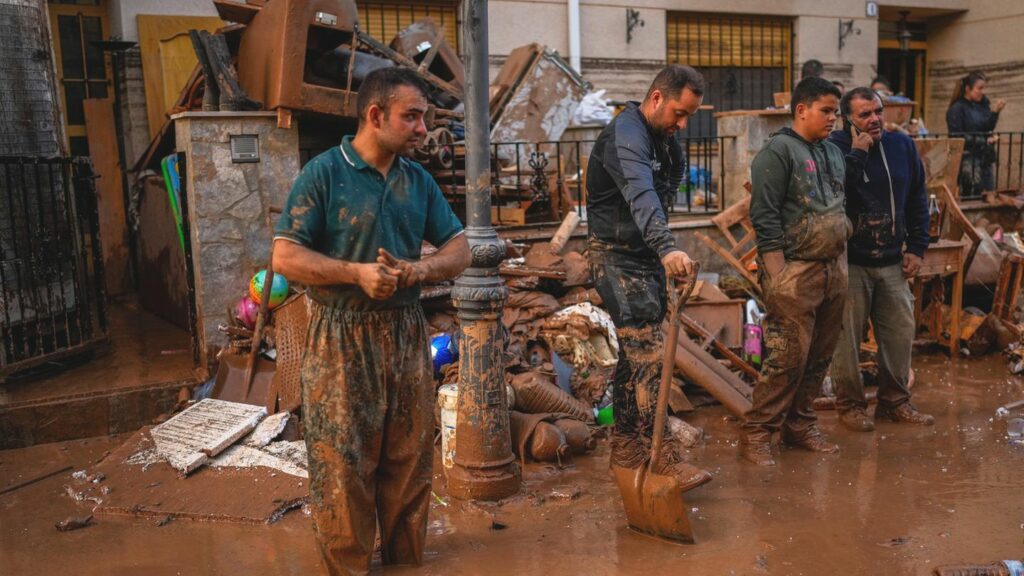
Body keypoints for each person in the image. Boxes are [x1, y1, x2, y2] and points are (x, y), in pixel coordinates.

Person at [273, 68, 470, 575]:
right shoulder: (324, 173)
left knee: (409, 461)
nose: (423, 128)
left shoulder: (416, 180)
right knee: (343, 466)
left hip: (405, 331)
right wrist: (354, 274)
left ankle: (405, 563)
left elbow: (460, 248)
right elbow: (286, 258)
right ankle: (349, 568)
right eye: (412, 116)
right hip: (340, 335)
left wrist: (419, 270)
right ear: (375, 115)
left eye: (424, 117)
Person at [586, 64, 713, 492]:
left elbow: (670, 183)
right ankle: (656, 456)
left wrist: (660, 250)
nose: (683, 123)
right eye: (679, 113)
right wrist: (666, 246)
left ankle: (626, 445)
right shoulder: (627, 133)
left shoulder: (664, 139)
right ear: (656, 98)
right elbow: (641, 192)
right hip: (617, 257)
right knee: (647, 355)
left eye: (689, 116)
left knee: (641, 356)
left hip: (644, 258)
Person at [741, 77, 849, 466]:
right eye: (826, 110)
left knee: (820, 355)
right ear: (801, 109)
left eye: (836, 111)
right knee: (786, 358)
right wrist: (779, 275)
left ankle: (799, 424)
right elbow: (764, 217)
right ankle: (758, 432)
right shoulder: (777, 152)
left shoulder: (832, 152)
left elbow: (838, 204)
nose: (833, 118)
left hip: (834, 268)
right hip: (795, 272)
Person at [829, 87, 935, 432]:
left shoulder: (901, 145)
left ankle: (894, 402)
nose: (874, 119)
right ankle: (850, 406)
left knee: (899, 333)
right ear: (848, 119)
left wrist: (917, 248)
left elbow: (918, 197)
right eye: (865, 114)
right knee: (846, 339)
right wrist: (857, 153)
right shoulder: (835, 148)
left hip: (892, 259)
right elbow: (831, 194)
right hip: (851, 261)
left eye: (878, 111)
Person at [947, 71, 1006, 197]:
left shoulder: (982, 105)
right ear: (968, 89)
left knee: (989, 193)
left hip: (984, 156)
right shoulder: (957, 109)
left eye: (983, 88)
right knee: (973, 195)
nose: (982, 91)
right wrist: (984, 140)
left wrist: (995, 112)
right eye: (979, 88)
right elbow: (956, 136)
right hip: (967, 159)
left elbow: (987, 127)